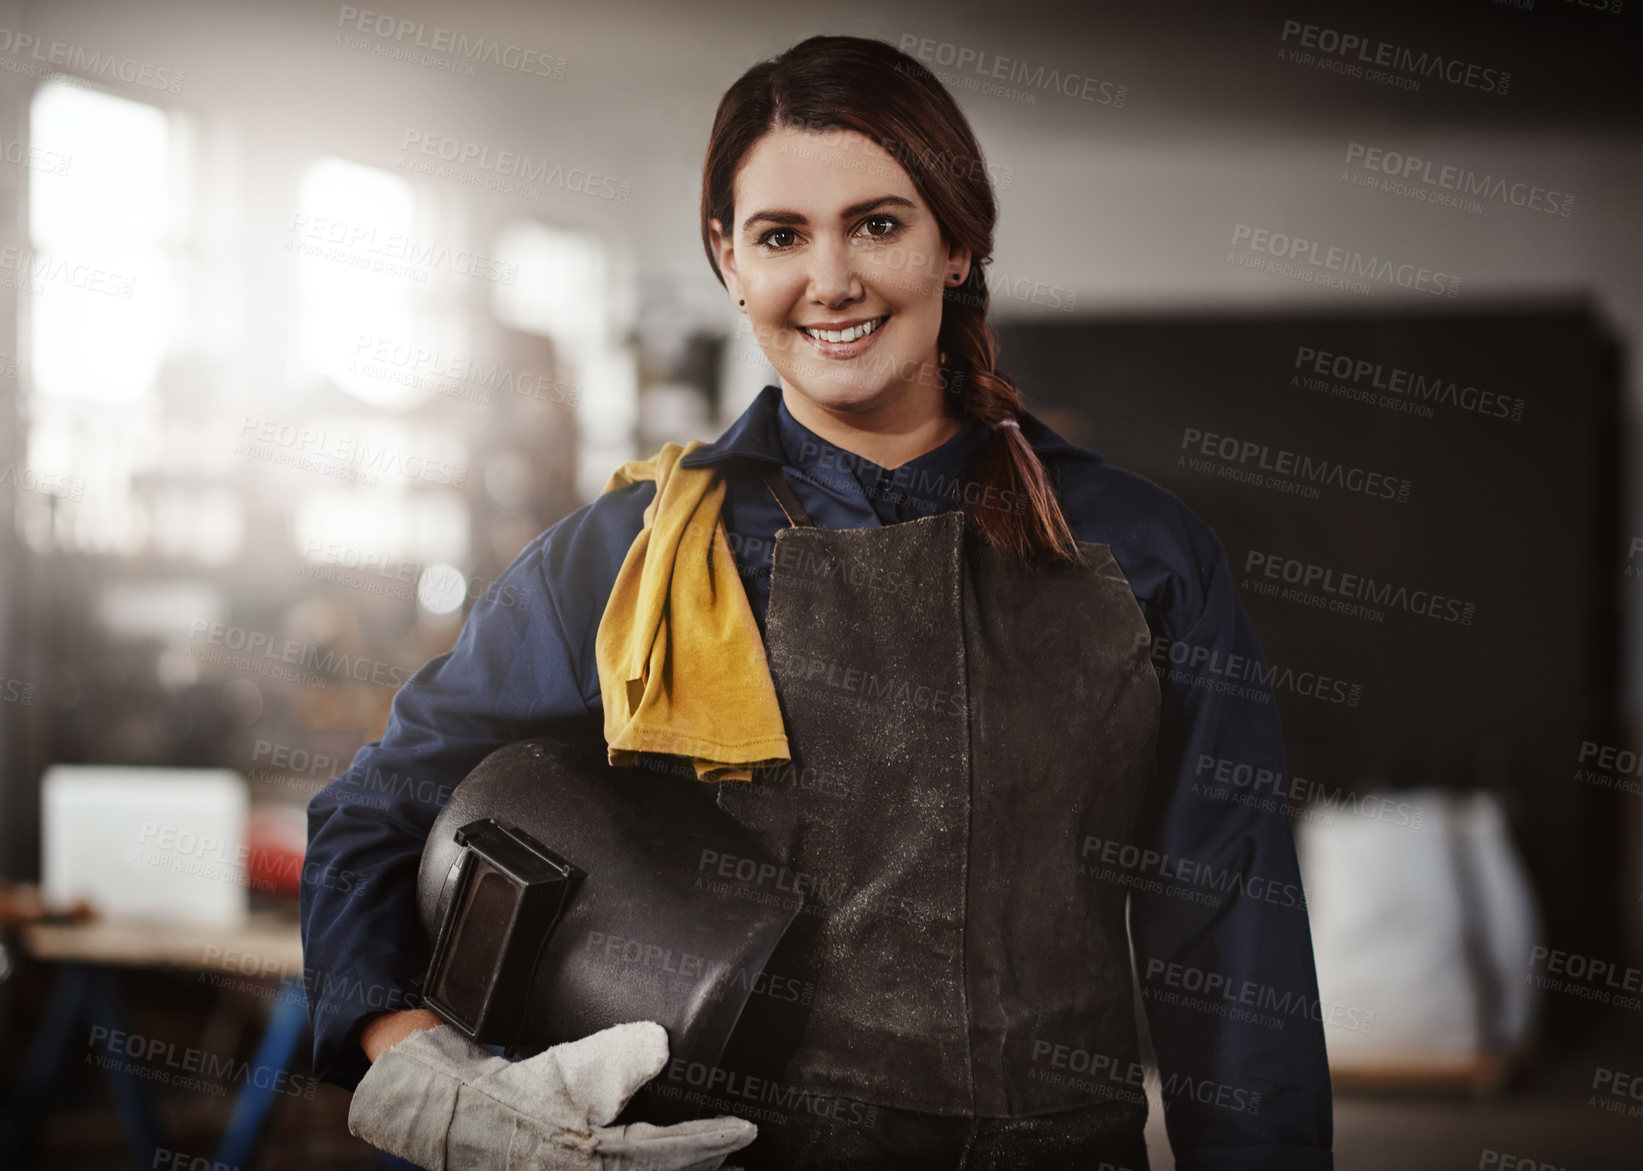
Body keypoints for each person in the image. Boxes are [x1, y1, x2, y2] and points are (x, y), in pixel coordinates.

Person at [301, 33, 1334, 1171]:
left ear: (957, 241)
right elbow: (380, 805)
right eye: (781, 235)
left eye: (878, 224)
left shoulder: (1140, 554)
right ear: (727, 258)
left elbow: (1231, 939)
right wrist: (409, 1058)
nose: (829, 279)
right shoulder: (632, 556)